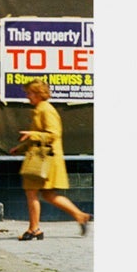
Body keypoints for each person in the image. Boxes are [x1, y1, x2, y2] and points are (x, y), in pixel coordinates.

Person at [12, 78, 90, 239]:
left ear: (39, 94)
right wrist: (20, 148)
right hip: (46, 159)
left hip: (44, 160)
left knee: (31, 192)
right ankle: (80, 216)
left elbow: (53, 134)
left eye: (30, 93)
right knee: (48, 194)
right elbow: (40, 137)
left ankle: (34, 229)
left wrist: (31, 134)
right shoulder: (41, 108)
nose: (28, 96)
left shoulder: (45, 109)